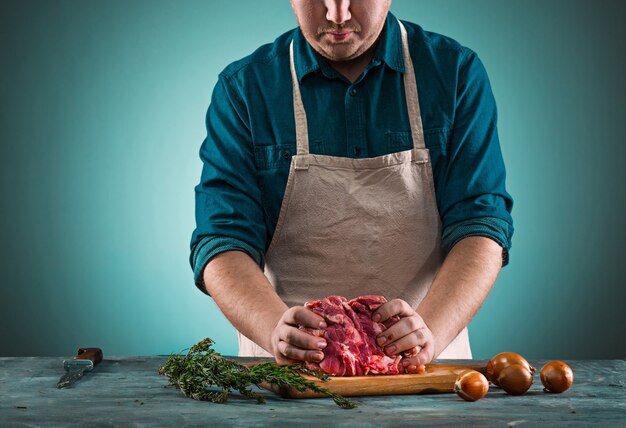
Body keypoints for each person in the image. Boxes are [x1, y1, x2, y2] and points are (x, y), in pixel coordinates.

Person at [190, 0, 513, 370]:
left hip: (426, 366)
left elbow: (482, 226)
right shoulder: (245, 88)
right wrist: (272, 329)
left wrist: (431, 334)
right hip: (291, 374)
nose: (337, 15)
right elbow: (222, 241)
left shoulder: (454, 72)